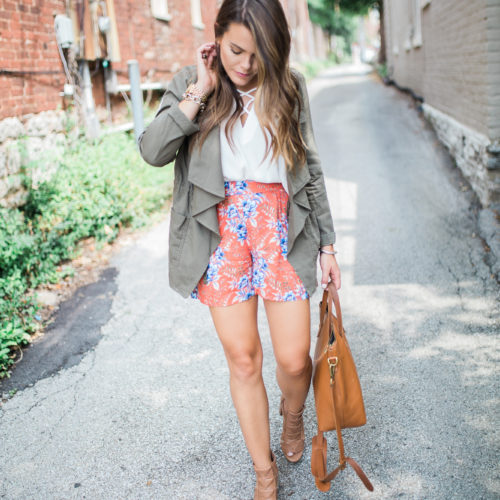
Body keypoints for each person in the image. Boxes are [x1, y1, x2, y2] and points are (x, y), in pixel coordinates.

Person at [138, 0, 340, 498]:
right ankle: (264, 472)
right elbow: (153, 150)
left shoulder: (289, 86)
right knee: (244, 360)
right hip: (222, 231)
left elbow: (309, 168)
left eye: (258, 55)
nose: (245, 65)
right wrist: (201, 91)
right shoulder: (195, 80)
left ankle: (292, 416)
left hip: (282, 228)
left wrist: (328, 244)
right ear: (217, 37)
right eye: (235, 51)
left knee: (294, 360)